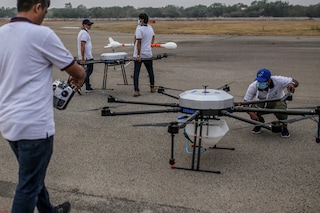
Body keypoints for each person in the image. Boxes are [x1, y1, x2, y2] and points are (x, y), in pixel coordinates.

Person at [0, 0, 86, 212]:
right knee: (28, 185)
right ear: (38, 7)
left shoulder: (2, 34)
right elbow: (76, 70)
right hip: (34, 127)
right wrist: (80, 77)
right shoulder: (41, 34)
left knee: (32, 174)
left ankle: (50, 210)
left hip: (9, 124)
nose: (44, 17)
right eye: (45, 11)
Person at [244, 68, 299, 138]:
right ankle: (259, 124)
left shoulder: (279, 80)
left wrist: (292, 84)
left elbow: (295, 81)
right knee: (253, 110)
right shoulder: (253, 86)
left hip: (277, 101)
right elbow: (245, 103)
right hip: (262, 102)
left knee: (281, 110)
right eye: (259, 81)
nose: (260, 83)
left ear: (269, 80)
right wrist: (251, 113)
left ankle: (284, 127)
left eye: (263, 81)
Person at [133, 13, 157, 97]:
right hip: (148, 53)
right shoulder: (150, 27)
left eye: (139, 19)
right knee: (150, 71)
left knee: (136, 73)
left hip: (140, 54)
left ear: (142, 19)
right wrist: (150, 45)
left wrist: (138, 55)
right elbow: (153, 37)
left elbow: (138, 42)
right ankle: (152, 87)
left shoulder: (139, 29)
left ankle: (136, 90)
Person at [77, 19, 95, 92]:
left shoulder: (83, 32)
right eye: (88, 24)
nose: (89, 26)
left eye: (90, 24)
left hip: (87, 55)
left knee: (87, 71)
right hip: (87, 56)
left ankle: (88, 86)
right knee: (89, 70)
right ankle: (80, 84)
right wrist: (83, 57)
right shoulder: (84, 33)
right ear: (84, 25)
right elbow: (82, 45)